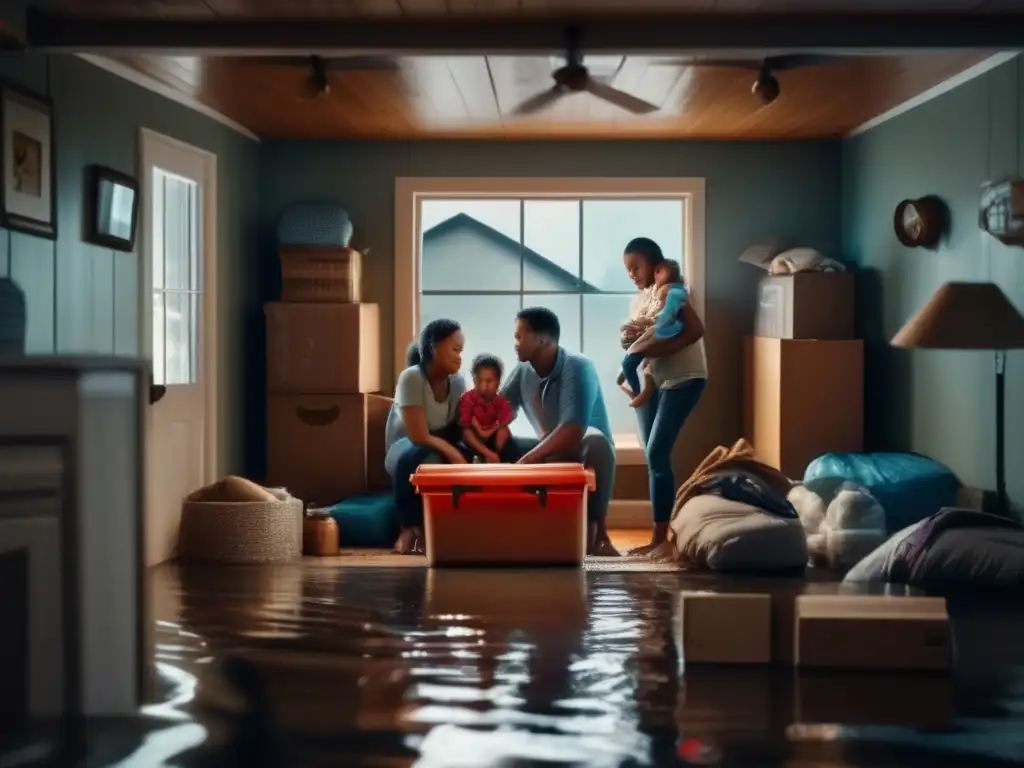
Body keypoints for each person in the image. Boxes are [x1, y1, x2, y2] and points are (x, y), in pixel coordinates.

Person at [499, 307, 620, 557]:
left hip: (581, 453)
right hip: (548, 452)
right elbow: (499, 410)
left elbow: (573, 428)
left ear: (542, 340)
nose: (515, 343)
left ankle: (601, 533)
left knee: (596, 441)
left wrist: (529, 459)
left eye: (520, 336)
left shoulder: (577, 366)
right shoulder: (523, 370)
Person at [621, 237, 708, 556]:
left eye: (636, 267)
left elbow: (695, 330)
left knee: (657, 453)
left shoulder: (671, 291)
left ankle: (661, 541)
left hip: (684, 379)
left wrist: (658, 349)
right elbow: (643, 338)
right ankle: (658, 536)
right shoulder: (640, 300)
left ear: (654, 265)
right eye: (628, 269)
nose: (631, 273)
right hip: (654, 382)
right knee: (653, 456)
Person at [384, 318, 469, 555]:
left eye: (461, 351)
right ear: (434, 347)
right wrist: (451, 452)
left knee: (469, 456)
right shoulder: (412, 377)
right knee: (414, 457)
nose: (459, 357)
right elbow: (419, 435)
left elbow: (459, 426)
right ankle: (409, 527)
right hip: (406, 443)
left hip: (441, 439)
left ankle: (456, 526)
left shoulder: (458, 381)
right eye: (454, 349)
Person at [619, 258, 688, 408]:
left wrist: (648, 321)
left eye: (658, 271)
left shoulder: (673, 291)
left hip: (665, 331)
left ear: (670, 272)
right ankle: (636, 388)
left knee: (630, 363)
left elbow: (667, 315)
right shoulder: (659, 291)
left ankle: (638, 393)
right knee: (636, 362)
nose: (655, 275)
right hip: (657, 329)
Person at [458, 353, 514, 463]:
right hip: (474, 440)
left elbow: (502, 424)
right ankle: (487, 454)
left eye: (489, 381)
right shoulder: (467, 398)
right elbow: (465, 425)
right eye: (479, 380)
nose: (484, 386)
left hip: (493, 438)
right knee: (466, 433)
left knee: (505, 431)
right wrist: (480, 432)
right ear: (474, 380)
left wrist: (491, 432)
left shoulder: (501, 401)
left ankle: (497, 455)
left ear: (498, 382)